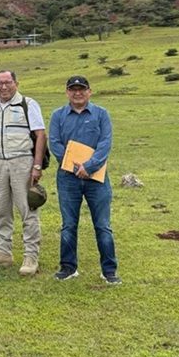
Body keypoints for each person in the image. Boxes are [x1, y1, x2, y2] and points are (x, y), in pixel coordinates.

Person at [49, 76, 121, 284]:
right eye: (73, 89)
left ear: (89, 91)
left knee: (103, 225)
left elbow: (105, 143)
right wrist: (74, 168)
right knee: (68, 224)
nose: (77, 93)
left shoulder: (101, 114)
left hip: (96, 178)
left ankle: (109, 271)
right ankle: (68, 267)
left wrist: (88, 167)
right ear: (67, 92)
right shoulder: (58, 116)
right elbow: (55, 144)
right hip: (67, 178)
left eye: (81, 89)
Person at [0, 70, 46, 276]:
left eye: (8, 82)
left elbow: (40, 134)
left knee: (28, 209)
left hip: (21, 162)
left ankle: (30, 256)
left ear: (16, 83)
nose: (4, 87)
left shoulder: (28, 104)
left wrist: (36, 166)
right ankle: (3, 252)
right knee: (2, 210)